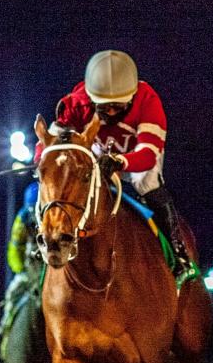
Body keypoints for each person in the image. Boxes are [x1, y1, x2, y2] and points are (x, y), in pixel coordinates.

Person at [35, 50, 194, 282]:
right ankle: (44, 239)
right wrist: (41, 161)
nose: (110, 112)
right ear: (91, 98)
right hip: (94, 156)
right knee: (59, 184)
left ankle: (177, 251)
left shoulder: (148, 102)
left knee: (146, 183)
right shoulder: (77, 102)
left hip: (136, 157)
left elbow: (148, 154)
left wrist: (121, 161)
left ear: (131, 97)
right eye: (103, 107)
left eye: (117, 107)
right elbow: (50, 142)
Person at [0, 182, 41, 337]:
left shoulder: (54, 214)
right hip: (30, 270)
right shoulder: (22, 218)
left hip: (52, 267)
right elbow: (15, 247)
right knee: (13, 292)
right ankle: (7, 325)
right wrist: (20, 269)